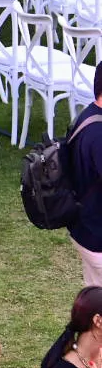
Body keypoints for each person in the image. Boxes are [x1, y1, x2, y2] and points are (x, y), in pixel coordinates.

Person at [68, 73, 102, 289]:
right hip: (97, 236)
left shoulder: (87, 116)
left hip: (84, 228)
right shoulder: (98, 134)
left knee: (95, 300)